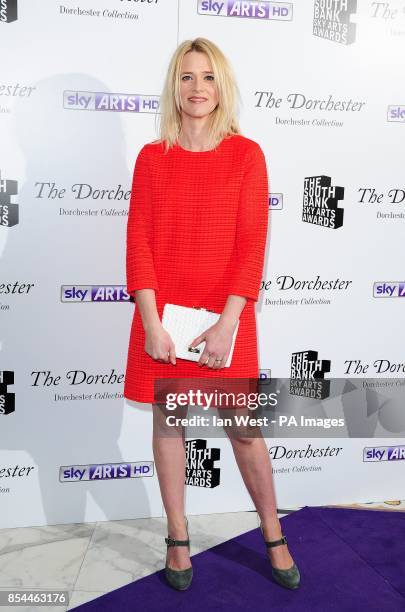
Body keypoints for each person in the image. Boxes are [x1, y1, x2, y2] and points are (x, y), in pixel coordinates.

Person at [123, 37, 300, 591]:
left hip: (226, 315)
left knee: (245, 433)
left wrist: (228, 323)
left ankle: (273, 532)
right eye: (186, 76)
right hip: (163, 315)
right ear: (173, 87)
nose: (197, 88)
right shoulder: (152, 158)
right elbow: (139, 243)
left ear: (222, 86)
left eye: (207, 77)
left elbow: (253, 245)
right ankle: (178, 537)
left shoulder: (247, 154)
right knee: (169, 425)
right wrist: (152, 323)